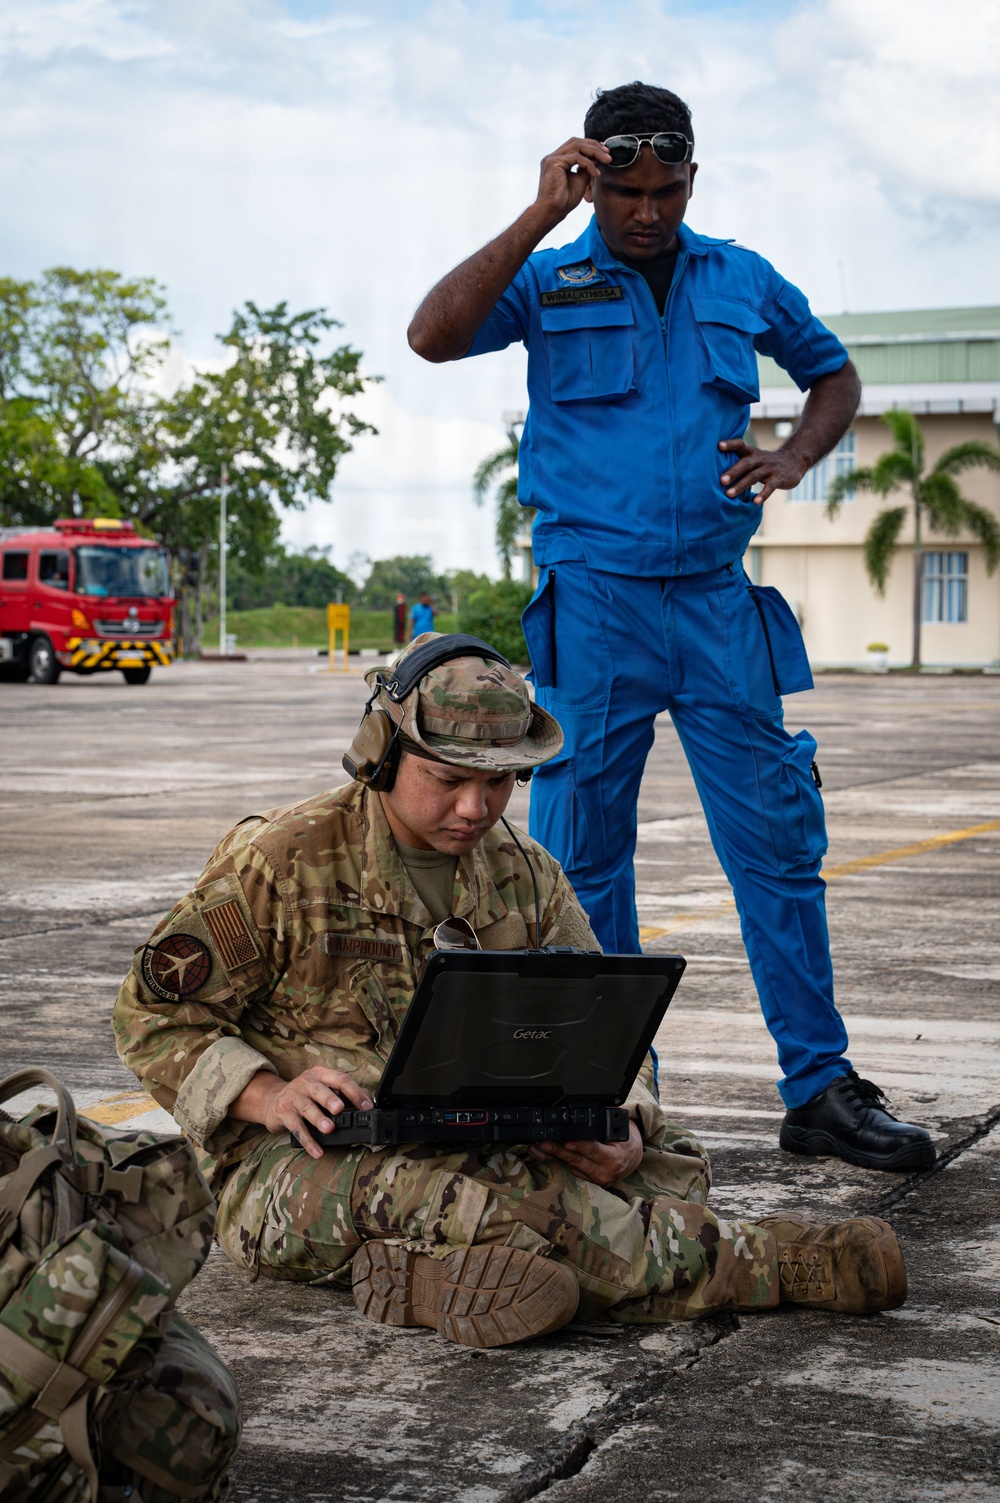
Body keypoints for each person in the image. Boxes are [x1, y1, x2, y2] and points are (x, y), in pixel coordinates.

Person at [407, 81, 934, 1175]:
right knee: (583, 861)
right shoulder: (547, 279)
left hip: (714, 600)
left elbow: (831, 372)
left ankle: (819, 1088)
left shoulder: (739, 277)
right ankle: (605, 1097)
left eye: (668, 187)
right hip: (594, 604)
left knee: (778, 851)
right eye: (627, 188)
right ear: (594, 175)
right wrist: (537, 215)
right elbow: (432, 335)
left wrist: (792, 456)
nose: (647, 210)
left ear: (694, 176)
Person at [113, 633, 906, 1349]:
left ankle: (422, 1277)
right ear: (382, 753)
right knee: (482, 1201)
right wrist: (268, 1094)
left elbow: (609, 1032)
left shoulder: (523, 871)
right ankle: (772, 1264)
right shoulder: (283, 861)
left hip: (472, 1133)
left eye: (499, 783)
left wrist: (623, 1126)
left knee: (671, 1162)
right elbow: (150, 1016)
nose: (474, 808)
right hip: (294, 1164)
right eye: (448, 779)